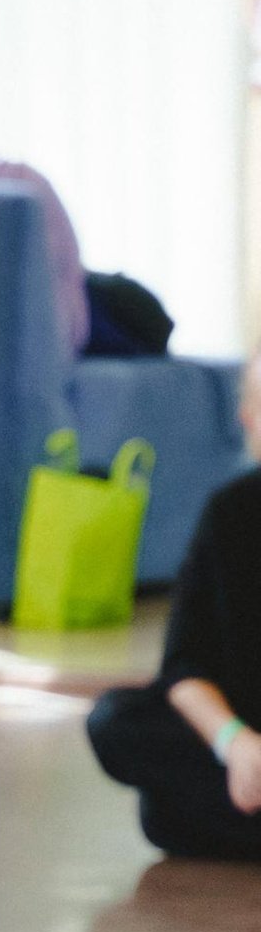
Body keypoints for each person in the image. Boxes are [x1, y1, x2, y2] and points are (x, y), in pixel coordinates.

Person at [85, 349, 261, 863]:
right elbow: (183, 667)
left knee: (168, 814)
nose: (252, 417)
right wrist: (236, 744)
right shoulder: (231, 511)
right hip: (245, 737)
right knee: (116, 721)